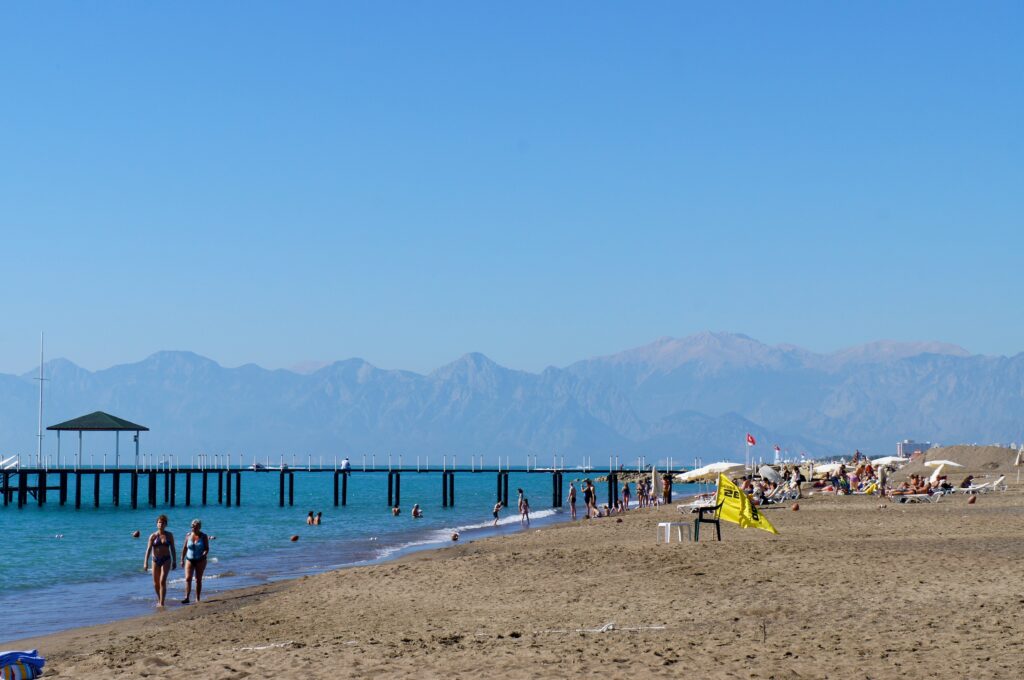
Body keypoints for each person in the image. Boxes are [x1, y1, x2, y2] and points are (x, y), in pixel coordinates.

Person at [143, 514, 176, 608]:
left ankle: (162, 603)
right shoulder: (153, 536)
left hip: (166, 559)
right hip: (155, 560)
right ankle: (159, 598)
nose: (161, 524)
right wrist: (145, 562)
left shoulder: (169, 535)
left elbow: (172, 548)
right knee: (155, 583)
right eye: (159, 522)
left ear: (166, 524)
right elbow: (148, 549)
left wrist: (174, 561)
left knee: (162, 581)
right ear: (156, 524)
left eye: (163, 523)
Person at [180, 519, 210, 604]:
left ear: (199, 527)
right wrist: (182, 559)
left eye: (195, 526)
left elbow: (206, 548)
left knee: (198, 579)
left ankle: (197, 598)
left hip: (200, 560)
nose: (193, 528)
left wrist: (204, 554)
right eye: (192, 526)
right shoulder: (188, 535)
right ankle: (187, 597)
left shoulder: (204, 536)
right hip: (189, 559)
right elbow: (184, 548)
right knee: (188, 578)